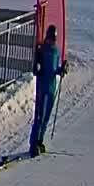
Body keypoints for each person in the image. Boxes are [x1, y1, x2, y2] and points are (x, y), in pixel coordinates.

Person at [30, 25, 67, 156]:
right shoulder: (42, 50)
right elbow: (35, 68)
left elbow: (55, 68)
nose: (52, 41)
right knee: (39, 116)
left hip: (52, 86)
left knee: (46, 117)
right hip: (42, 86)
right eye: (51, 38)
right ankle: (33, 144)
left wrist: (62, 70)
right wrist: (37, 68)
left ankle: (40, 141)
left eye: (54, 39)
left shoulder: (56, 51)